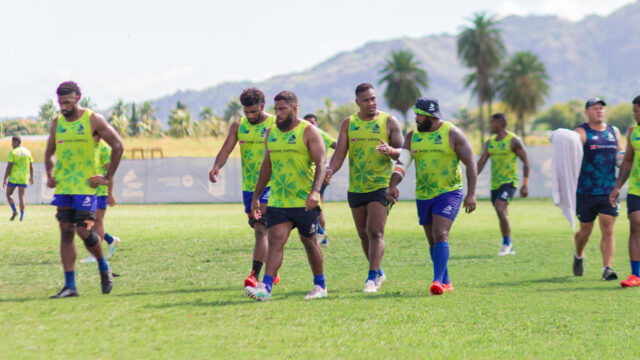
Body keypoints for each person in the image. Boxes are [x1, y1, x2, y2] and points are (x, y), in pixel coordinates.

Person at [379, 97, 477, 295]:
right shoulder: (412, 136)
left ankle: (437, 282)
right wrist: (392, 186)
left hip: (449, 192)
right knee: (432, 240)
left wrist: (471, 194)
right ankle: (446, 281)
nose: (416, 118)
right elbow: (402, 163)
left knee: (440, 233)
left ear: (430, 115)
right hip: (424, 194)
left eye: (419, 114)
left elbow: (471, 163)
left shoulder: (452, 133)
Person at [244, 90, 327, 301]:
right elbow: (266, 167)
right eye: (276, 109)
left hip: (304, 201)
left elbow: (321, 163)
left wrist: (315, 191)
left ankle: (320, 285)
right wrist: (256, 197)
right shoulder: (270, 133)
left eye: (282, 109)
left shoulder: (308, 132)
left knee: (310, 243)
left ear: (294, 108)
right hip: (279, 201)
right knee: (275, 242)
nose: (278, 114)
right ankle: (266, 287)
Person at [44, 81, 124, 298]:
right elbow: (49, 151)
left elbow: (118, 145)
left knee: (84, 231)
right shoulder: (57, 122)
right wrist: (50, 173)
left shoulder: (93, 120)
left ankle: (103, 266)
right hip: (64, 189)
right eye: (61, 103)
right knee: (66, 232)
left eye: (68, 102)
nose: (64, 107)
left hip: (86, 189)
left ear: (78, 98)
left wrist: (108, 178)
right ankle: (70, 286)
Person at [325, 83, 403, 293]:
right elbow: (340, 153)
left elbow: (405, 153)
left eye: (373, 98)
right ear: (357, 102)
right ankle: (378, 272)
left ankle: (371, 279)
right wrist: (330, 170)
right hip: (357, 188)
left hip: (380, 186)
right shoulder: (348, 123)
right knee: (363, 235)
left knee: (375, 232)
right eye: (366, 100)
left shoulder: (389, 121)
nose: (371, 103)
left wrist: (391, 150)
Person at [209, 87, 279, 288]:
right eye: (246, 112)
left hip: (271, 184)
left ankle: (255, 276)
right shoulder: (238, 126)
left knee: (261, 229)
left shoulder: (275, 123)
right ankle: (273, 270)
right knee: (265, 231)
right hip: (249, 187)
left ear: (262, 106)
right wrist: (216, 166)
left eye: (254, 112)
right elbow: (226, 150)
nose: (249, 116)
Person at [573, 97, 622, 280]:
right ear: (587, 112)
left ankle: (607, 268)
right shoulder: (582, 132)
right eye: (594, 108)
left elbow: (621, 153)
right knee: (585, 231)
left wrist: (623, 160)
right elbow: (571, 149)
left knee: (608, 227)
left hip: (609, 189)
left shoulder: (613, 131)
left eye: (601, 108)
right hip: (585, 191)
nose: (599, 111)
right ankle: (578, 254)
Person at [476, 113, 530, 256]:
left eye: (492, 123)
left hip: (509, 182)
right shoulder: (490, 143)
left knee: (500, 208)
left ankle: (507, 244)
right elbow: (481, 162)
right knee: (501, 212)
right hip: (495, 184)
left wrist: (525, 184)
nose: (490, 126)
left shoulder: (513, 141)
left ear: (500, 123)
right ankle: (508, 244)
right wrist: (472, 178)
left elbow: (526, 162)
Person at [609, 95, 640, 287]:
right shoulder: (632, 132)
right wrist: (617, 186)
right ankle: (635, 275)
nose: (634, 115)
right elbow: (627, 160)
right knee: (636, 225)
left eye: (636, 111)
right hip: (636, 188)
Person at [79, 133, 121, 263]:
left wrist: (109, 194)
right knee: (85, 222)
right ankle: (110, 240)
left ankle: (96, 255)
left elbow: (110, 173)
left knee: (97, 221)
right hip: (88, 191)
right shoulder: (88, 148)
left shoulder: (104, 149)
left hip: (101, 191)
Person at [303, 113, 337, 247]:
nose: (310, 125)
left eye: (313, 122)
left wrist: (329, 167)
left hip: (317, 176)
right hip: (308, 176)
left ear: (317, 124)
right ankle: (322, 237)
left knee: (308, 206)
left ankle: (321, 232)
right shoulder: (304, 133)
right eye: (307, 123)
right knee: (318, 207)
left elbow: (339, 146)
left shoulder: (319, 134)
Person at [3, 136, 33, 221]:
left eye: (12, 142)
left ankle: (14, 210)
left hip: (14, 177)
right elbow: (31, 166)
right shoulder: (27, 152)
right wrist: (32, 177)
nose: (11, 144)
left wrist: (5, 178)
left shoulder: (13, 152)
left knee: (8, 194)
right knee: (22, 197)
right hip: (23, 178)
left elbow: (9, 166)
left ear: (16, 142)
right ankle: (22, 216)